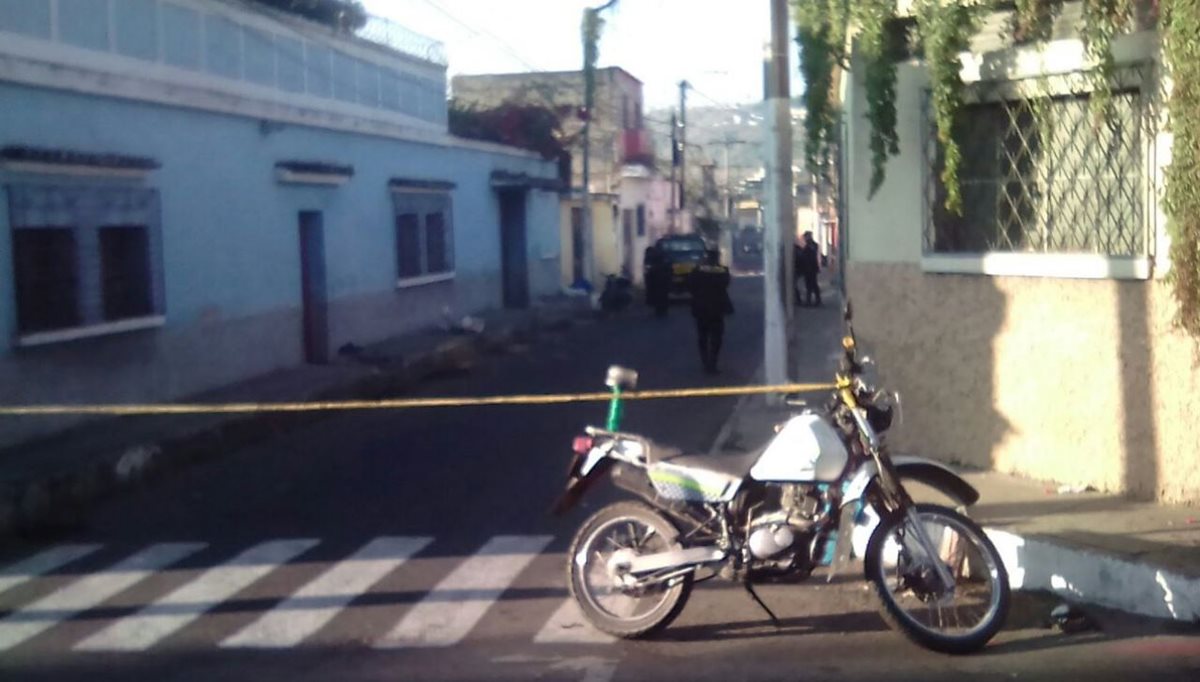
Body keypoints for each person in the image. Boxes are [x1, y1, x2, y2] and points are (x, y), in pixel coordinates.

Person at [687, 249, 734, 374]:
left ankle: (705, 363)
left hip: (701, 308)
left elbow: (691, 285)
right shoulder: (723, 271)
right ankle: (713, 363)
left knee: (702, 337)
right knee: (716, 338)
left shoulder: (697, 270)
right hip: (717, 309)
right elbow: (726, 284)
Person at [644, 246, 670, 317]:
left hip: (657, 281)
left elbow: (648, 271)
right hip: (662, 281)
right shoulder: (664, 258)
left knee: (659, 296)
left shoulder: (652, 258)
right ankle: (662, 309)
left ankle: (660, 309)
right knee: (663, 296)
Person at [797, 231, 821, 307]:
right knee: (810, 285)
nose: (805, 239)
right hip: (809, 269)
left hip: (811, 269)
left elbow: (810, 256)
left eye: (806, 237)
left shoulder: (812, 245)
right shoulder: (809, 246)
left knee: (812, 285)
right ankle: (812, 300)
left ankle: (813, 301)